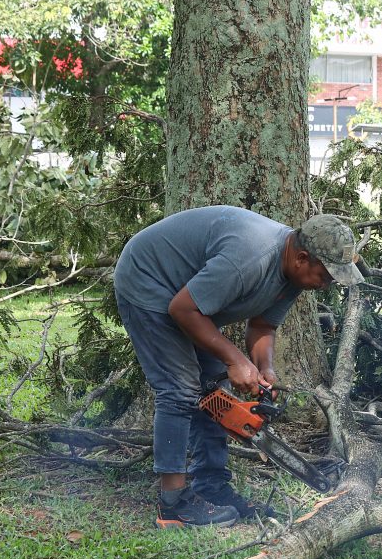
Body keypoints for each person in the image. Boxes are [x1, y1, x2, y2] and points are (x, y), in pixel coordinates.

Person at [114, 205, 363, 529]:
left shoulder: (294, 277)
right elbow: (182, 309)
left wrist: (265, 369)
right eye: (325, 276)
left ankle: (211, 487)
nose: (325, 285)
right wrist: (235, 359)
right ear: (302, 258)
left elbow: (262, 327)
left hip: (186, 300)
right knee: (179, 389)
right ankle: (172, 506)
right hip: (148, 281)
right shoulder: (251, 259)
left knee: (213, 392)